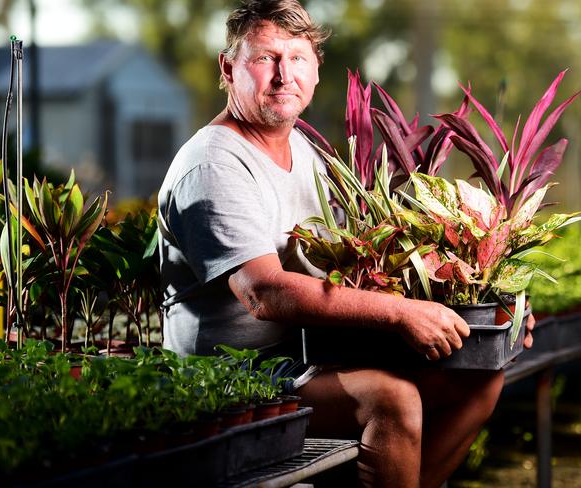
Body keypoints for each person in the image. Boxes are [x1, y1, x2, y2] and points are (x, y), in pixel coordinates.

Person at [157, 1, 536, 486]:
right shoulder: (214, 165)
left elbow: (358, 253)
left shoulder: (302, 150)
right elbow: (264, 293)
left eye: (296, 58)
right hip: (231, 376)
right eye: (265, 58)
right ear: (228, 68)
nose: (283, 75)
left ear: (315, 70)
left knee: (480, 376)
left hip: (308, 351)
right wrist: (401, 313)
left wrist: (495, 315)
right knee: (392, 399)